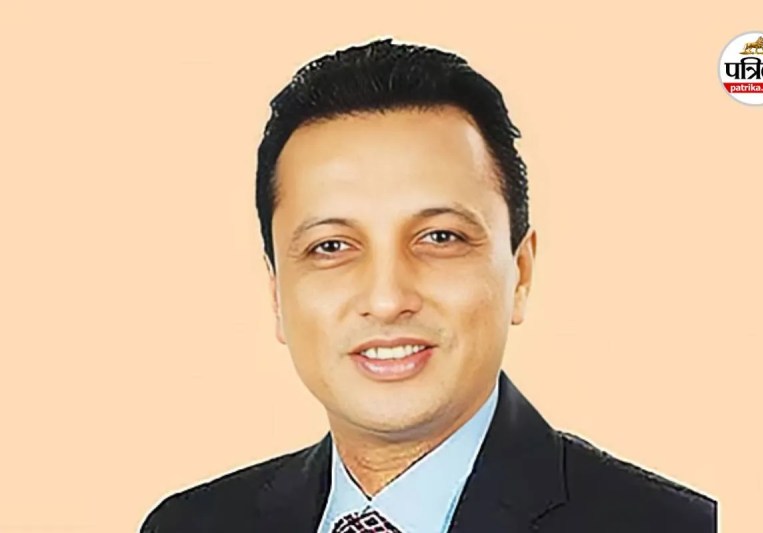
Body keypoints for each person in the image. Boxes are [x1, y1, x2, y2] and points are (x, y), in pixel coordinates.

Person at [141, 38, 717, 532]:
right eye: (331, 247)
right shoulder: (190, 525)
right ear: (276, 295)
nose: (387, 299)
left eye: (440, 237)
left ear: (521, 271)